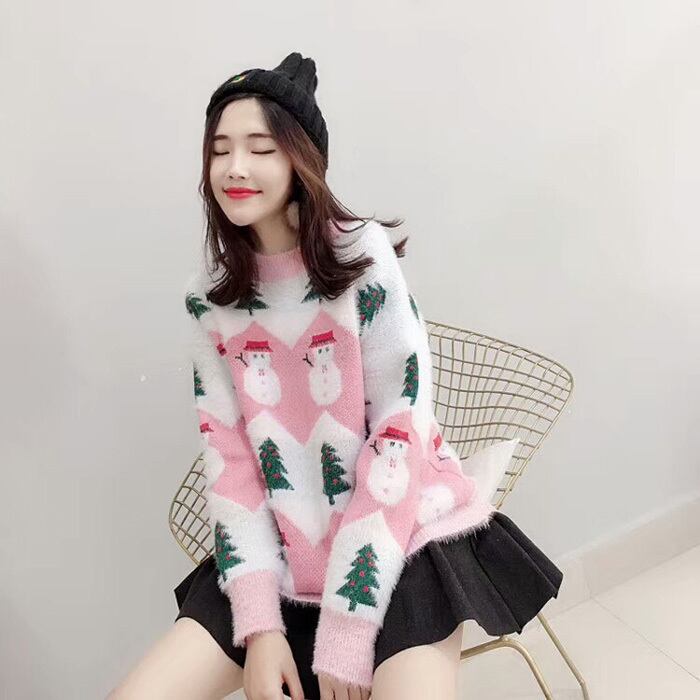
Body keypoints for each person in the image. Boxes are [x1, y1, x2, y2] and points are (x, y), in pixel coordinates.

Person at [108, 52, 563, 700]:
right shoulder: (211, 299)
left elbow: (399, 433)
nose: (235, 167)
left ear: (301, 159)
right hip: (282, 546)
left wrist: (348, 629)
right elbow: (231, 464)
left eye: (260, 148)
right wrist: (260, 629)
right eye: (220, 149)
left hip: (401, 537)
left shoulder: (361, 257)